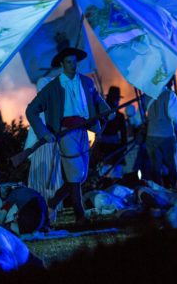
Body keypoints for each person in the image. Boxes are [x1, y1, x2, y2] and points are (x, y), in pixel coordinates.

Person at [25, 47, 111, 224]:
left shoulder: (86, 82)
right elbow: (31, 110)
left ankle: (54, 201)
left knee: (81, 175)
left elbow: (96, 100)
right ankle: (80, 215)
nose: (73, 65)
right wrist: (44, 132)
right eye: (69, 62)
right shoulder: (52, 88)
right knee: (75, 174)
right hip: (65, 133)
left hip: (83, 130)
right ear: (62, 64)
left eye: (74, 62)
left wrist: (108, 111)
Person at [24, 77, 63, 212]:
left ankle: (43, 206)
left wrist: (28, 150)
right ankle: (50, 205)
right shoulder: (54, 105)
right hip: (51, 147)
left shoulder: (40, 106)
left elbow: (33, 133)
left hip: (43, 147)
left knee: (42, 178)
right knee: (51, 178)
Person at [144, 80, 177, 188]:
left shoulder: (147, 94)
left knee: (155, 168)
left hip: (151, 135)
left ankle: (157, 192)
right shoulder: (169, 95)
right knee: (171, 166)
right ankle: (172, 190)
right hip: (166, 136)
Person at [95, 86, 128, 179]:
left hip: (104, 148)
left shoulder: (101, 114)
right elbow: (124, 135)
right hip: (112, 149)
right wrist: (123, 147)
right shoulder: (119, 116)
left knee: (103, 175)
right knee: (115, 176)